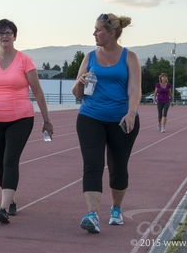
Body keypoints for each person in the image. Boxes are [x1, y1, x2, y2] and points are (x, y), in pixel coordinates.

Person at [0, 19, 53, 224]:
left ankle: (3, 208)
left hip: (21, 118)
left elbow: (38, 91)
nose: (5, 36)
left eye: (8, 33)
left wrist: (47, 119)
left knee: (10, 160)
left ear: (14, 36)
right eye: (1, 33)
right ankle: (11, 200)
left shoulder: (25, 60)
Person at [72, 13, 141, 234]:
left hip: (121, 120)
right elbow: (77, 93)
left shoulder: (129, 57)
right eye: (94, 29)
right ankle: (92, 215)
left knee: (118, 167)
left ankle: (116, 209)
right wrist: (80, 83)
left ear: (111, 33)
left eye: (98, 30)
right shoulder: (89, 56)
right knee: (92, 165)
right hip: (90, 117)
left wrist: (131, 113)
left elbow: (135, 89)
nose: (94, 33)